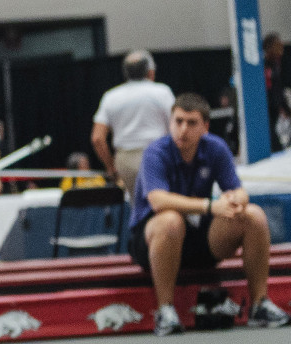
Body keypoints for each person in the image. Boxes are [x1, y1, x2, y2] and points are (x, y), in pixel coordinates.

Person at [130, 93, 288, 335]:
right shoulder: (156, 152)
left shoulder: (215, 148)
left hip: (198, 241)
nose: (183, 129)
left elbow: (238, 191)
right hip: (152, 240)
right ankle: (165, 311)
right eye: (178, 121)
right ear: (170, 123)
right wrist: (209, 205)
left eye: (191, 123)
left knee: (253, 215)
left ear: (205, 126)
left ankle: (259, 305)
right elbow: (157, 200)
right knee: (171, 220)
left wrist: (237, 199)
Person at [92, 50, 175, 189]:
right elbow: (176, 127)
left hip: (126, 161)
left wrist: (111, 167)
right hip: (159, 154)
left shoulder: (111, 97)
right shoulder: (162, 92)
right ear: (150, 72)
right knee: (162, 202)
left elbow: (97, 138)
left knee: (136, 204)